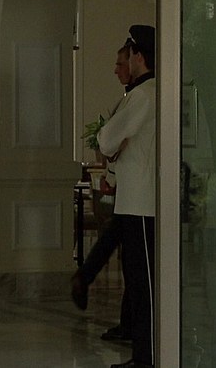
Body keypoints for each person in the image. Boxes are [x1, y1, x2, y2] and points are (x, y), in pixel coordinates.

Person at [98, 25, 156, 368]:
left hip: (140, 203)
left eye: (129, 55)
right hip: (139, 202)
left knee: (142, 283)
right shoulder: (152, 93)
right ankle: (144, 354)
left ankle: (146, 358)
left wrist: (112, 146)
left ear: (138, 56)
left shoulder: (142, 95)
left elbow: (106, 140)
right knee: (139, 281)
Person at [71, 44, 134, 343]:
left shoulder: (137, 98)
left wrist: (111, 175)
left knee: (126, 253)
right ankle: (128, 325)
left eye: (121, 63)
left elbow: (114, 145)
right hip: (133, 193)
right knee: (133, 261)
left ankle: (85, 276)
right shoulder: (130, 100)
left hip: (136, 192)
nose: (115, 69)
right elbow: (114, 146)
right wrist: (111, 176)